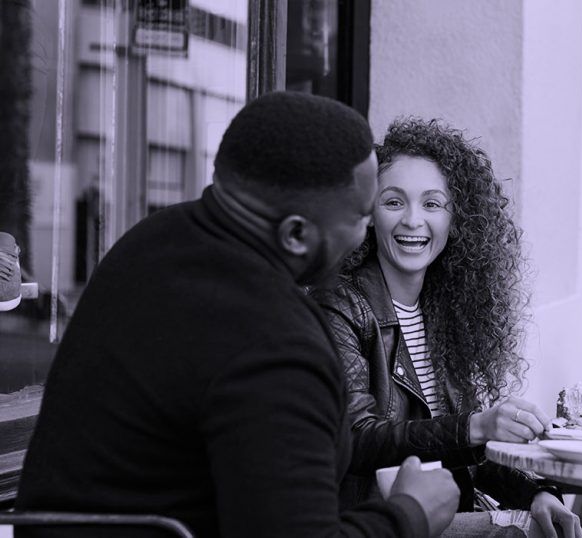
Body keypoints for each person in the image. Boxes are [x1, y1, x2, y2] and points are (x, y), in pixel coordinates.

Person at [15, 93, 460, 538]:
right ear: (296, 235)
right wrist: (410, 513)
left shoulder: (150, 242)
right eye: (363, 215)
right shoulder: (274, 341)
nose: (368, 230)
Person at [312, 118, 582, 538]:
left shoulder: (444, 312)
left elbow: (462, 450)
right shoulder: (341, 304)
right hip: (373, 522)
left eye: (432, 204)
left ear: (457, 220)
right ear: (369, 214)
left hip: (441, 514)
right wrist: (477, 424)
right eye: (394, 202)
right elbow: (357, 438)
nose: (413, 220)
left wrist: (535, 493)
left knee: (545, 524)